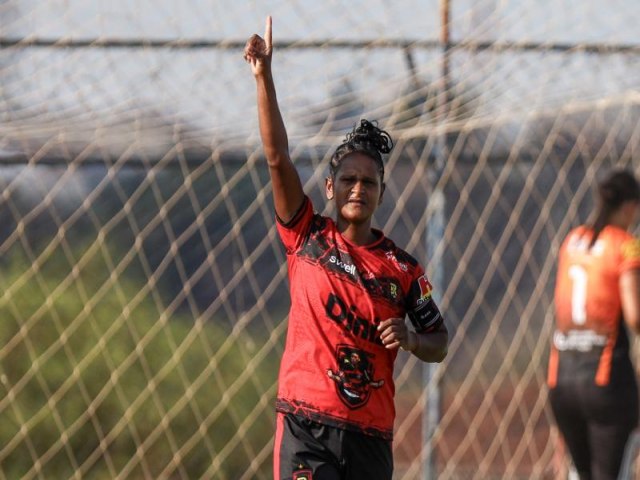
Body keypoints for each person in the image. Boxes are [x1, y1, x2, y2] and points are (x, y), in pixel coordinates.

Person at [244, 16, 449, 480]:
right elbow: (277, 158)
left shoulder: (403, 270)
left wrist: (413, 339)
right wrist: (264, 78)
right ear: (331, 188)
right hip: (306, 425)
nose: (359, 188)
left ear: (380, 192)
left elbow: (440, 341)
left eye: (369, 182)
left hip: (369, 437)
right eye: (350, 180)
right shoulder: (307, 236)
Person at [547, 168, 640, 480]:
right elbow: (635, 316)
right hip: (605, 382)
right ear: (630, 207)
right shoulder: (626, 245)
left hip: (561, 381)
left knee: (581, 474)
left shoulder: (573, 240)